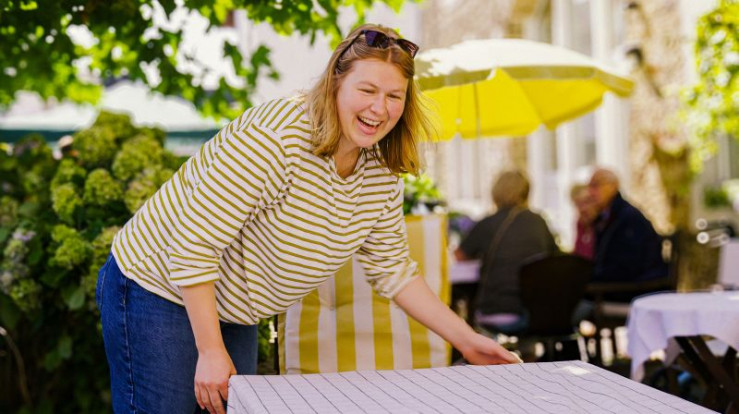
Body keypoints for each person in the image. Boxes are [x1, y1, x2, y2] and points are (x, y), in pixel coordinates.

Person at [96, 24, 519, 414]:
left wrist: (469, 341)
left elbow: (393, 270)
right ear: (335, 83)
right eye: (367, 90)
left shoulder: (380, 169)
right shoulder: (276, 136)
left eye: (394, 96)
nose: (379, 108)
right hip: (156, 288)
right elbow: (193, 244)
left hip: (233, 309)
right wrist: (210, 350)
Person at [454, 170, 558, 335]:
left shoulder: (487, 223)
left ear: (495, 192)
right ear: (526, 192)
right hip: (535, 312)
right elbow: (554, 258)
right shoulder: (539, 222)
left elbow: (459, 256)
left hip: (495, 309)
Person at [587, 168, 667, 292]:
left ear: (613, 186)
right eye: (589, 186)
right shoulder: (607, 216)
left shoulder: (627, 217)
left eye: (596, 185)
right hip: (622, 283)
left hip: (637, 286)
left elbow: (628, 265)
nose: (590, 192)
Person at [570, 183, 598, 260]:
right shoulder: (580, 224)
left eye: (586, 202)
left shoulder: (603, 225)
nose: (583, 208)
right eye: (578, 204)